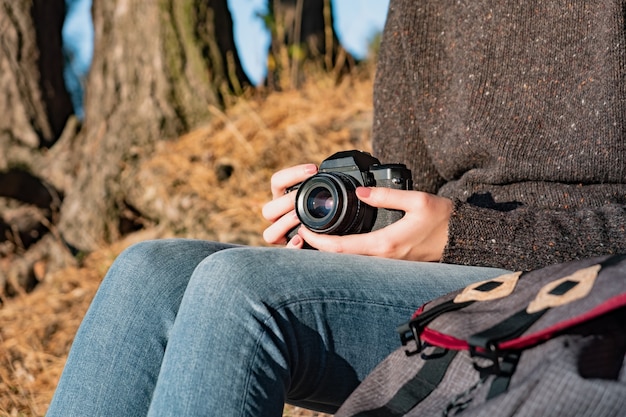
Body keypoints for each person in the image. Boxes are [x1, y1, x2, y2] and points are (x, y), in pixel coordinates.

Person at [47, 0, 625, 416]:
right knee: (151, 273)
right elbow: (407, 183)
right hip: (455, 285)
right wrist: (342, 222)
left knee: (241, 290)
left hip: (588, 287)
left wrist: (467, 235)